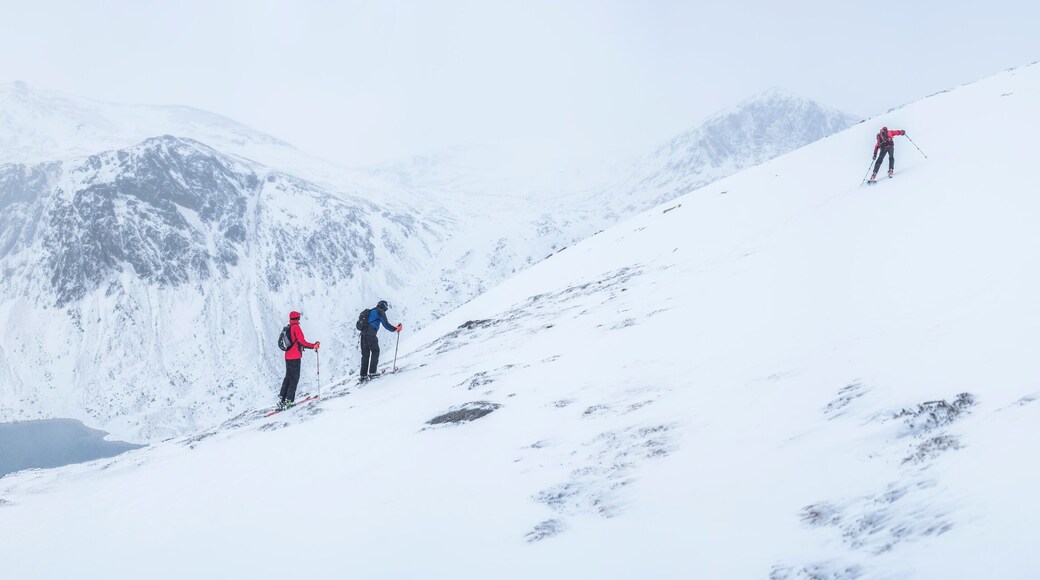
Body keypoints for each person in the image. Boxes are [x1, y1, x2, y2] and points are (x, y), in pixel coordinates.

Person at [279, 311, 319, 409]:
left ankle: (282, 399)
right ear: (297, 318)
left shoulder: (288, 327)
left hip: (287, 356)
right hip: (295, 357)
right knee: (294, 378)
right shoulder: (296, 327)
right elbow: (302, 342)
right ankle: (289, 400)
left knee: (288, 377)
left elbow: (295, 342)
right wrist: (313, 346)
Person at [360, 300, 402, 383]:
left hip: (363, 335)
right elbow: (386, 325)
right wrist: (396, 329)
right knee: (375, 351)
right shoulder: (380, 312)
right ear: (384, 306)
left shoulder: (371, 311)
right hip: (371, 335)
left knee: (365, 355)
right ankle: (372, 373)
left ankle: (363, 375)